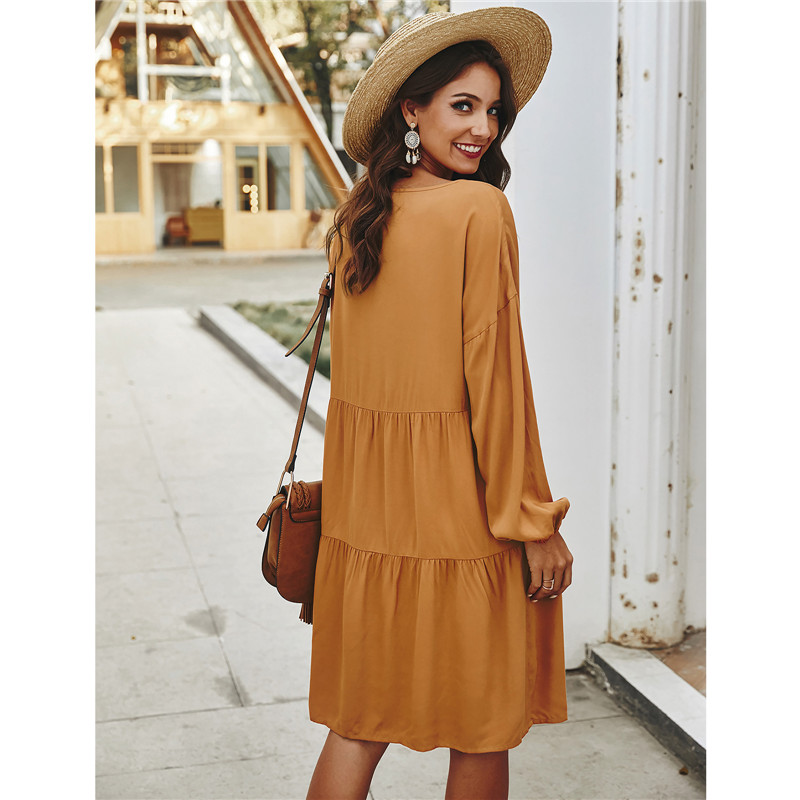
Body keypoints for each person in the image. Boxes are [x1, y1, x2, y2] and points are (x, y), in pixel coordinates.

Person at [305, 8, 573, 800]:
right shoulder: (478, 212)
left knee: (358, 725)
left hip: (368, 520)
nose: (483, 128)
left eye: (493, 111)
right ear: (411, 110)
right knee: (481, 726)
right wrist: (533, 522)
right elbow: (497, 385)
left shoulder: (357, 221)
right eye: (462, 105)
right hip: (462, 517)